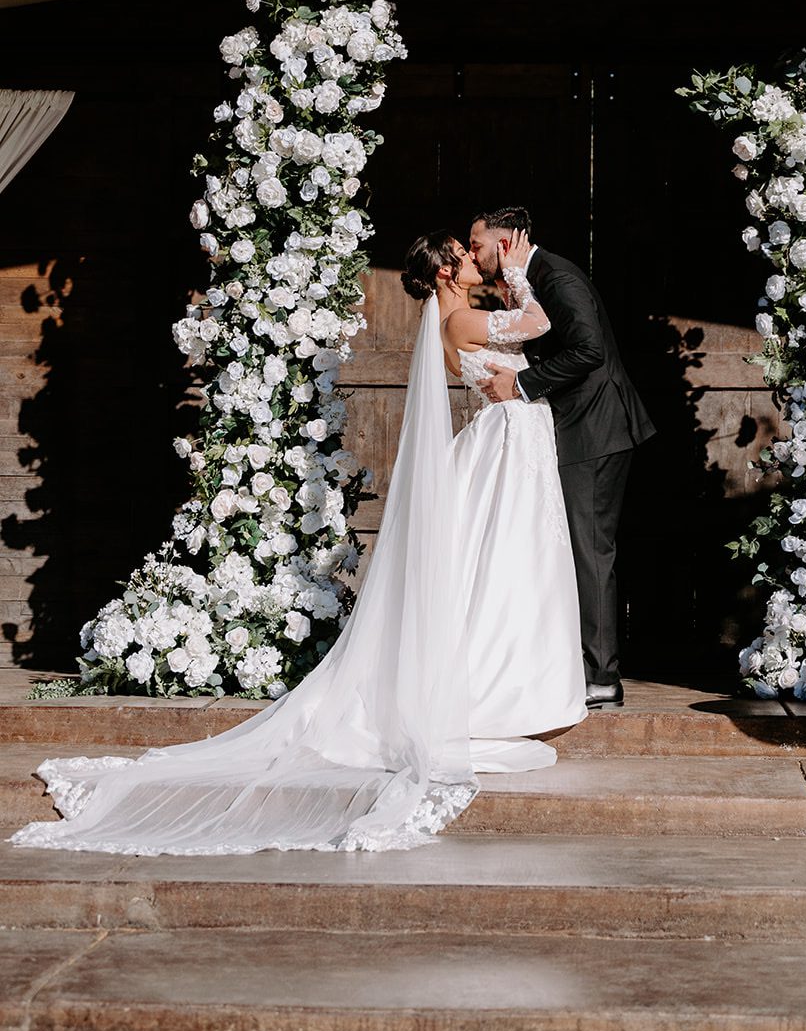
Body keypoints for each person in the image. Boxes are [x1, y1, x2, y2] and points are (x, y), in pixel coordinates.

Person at [10, 230, 585, 857]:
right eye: (465, 252)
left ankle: (500, 677)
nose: (476, 260)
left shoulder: (455, 316)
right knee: (505, 564)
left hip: (511, 437)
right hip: (507, 439)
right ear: (447, 271)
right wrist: (523, 266)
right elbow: (538, 321)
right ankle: (494, 688)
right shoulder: (462, 320)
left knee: (500, 566)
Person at [469, 208, 655, 709]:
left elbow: (589, 350)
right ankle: (579, 663)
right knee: (576, 549)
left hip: (596, 430)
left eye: (478, 246)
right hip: (576, 430)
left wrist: (521, 383)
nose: (473, 256)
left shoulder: (557, 276)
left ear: (505, 244)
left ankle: (601, 677)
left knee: (591, 552)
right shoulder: (530, 281)